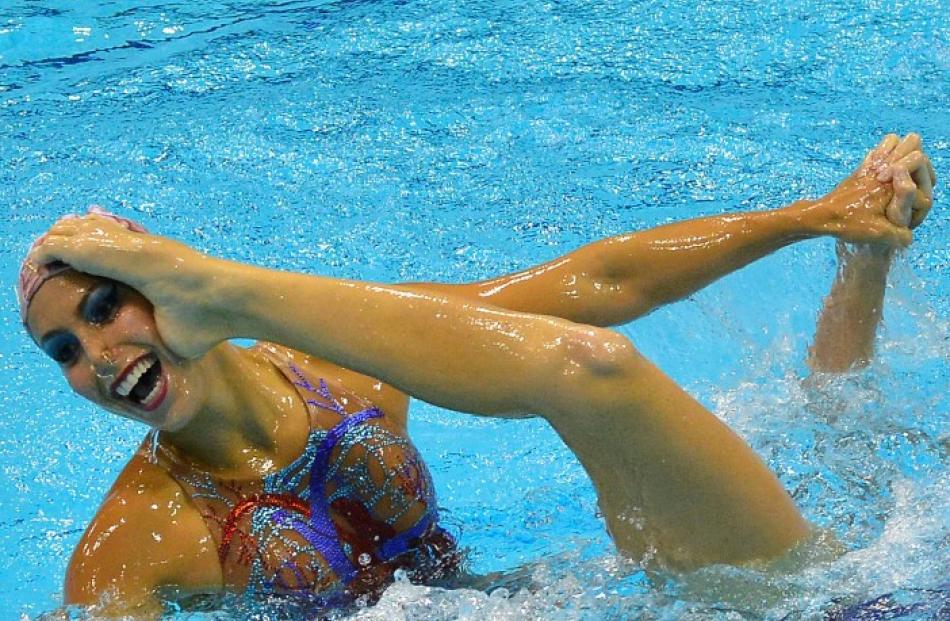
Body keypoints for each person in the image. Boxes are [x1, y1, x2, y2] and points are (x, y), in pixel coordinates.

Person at [21, 134, 935, 617]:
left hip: (542, 601)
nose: (97, 357)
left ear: (160, 285)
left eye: (105, 310)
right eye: (62, 350)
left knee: (824, 502)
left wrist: (816, 218)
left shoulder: (347, 353)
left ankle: (866, 255)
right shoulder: (130, 543)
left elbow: (592, 285)